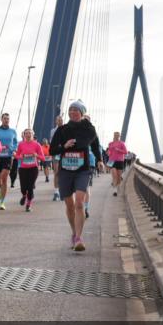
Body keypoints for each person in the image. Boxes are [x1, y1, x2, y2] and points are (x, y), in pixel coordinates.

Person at [49, 100, 103, 252]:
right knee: (69, 205)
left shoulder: (88, 129)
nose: (72, 112)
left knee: (79, 202)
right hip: (65, 170)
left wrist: (99, 160)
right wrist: (63, 147)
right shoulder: (62, 130)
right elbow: (52, 150)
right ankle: (74, 233)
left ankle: (79, 237)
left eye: (76, 110)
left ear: (81, 113)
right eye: (70, 109)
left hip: (82, 170)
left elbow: (94, 144)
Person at [16, 129, 46, 211]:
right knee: (23, 188)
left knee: (30, 187)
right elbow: (17, 156)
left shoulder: (37, 145)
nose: (28, 135)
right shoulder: (21, 144)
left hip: (33, 169)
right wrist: (20, 156)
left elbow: (43, 158)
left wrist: (36, 155)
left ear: (33, 135)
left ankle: (28, 205)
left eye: (30, 133)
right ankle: (24, 195)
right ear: (24, 135)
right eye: (26, 133)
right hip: (23, 168)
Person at [0, 113, 18, 210]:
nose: (6, 120)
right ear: (1, 119)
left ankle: (2, 202)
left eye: (8, 119)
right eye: (5, 118)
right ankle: (1, 192)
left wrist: (13, 149)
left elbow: (15, 142)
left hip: (8, 157)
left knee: (4, 178)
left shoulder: (13, 131)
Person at [107, 132, 128, 196]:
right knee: (114, 175)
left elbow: (126, 152)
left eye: (117, 135)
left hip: (120, 161)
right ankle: (115, 190)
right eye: (115, 135)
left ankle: (117, 186)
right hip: (112, 161)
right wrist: (108, 153)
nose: (116, 136)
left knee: (119, 177)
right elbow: (109, 151)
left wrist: (118, 150)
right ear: (113, 136)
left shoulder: (122, 143)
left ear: (119, 136)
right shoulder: (110, 143)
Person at [50, 114, 63, 201]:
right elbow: (51, 142)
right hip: (56, 154)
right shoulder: (53, 131)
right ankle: (56, 192)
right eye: (58, 120)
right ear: (56, 121)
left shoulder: (67, 129)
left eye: (61, 120)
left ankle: (63, 190)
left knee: (64, 172)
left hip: (65, 153)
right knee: (56, 172)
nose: (59, 121)